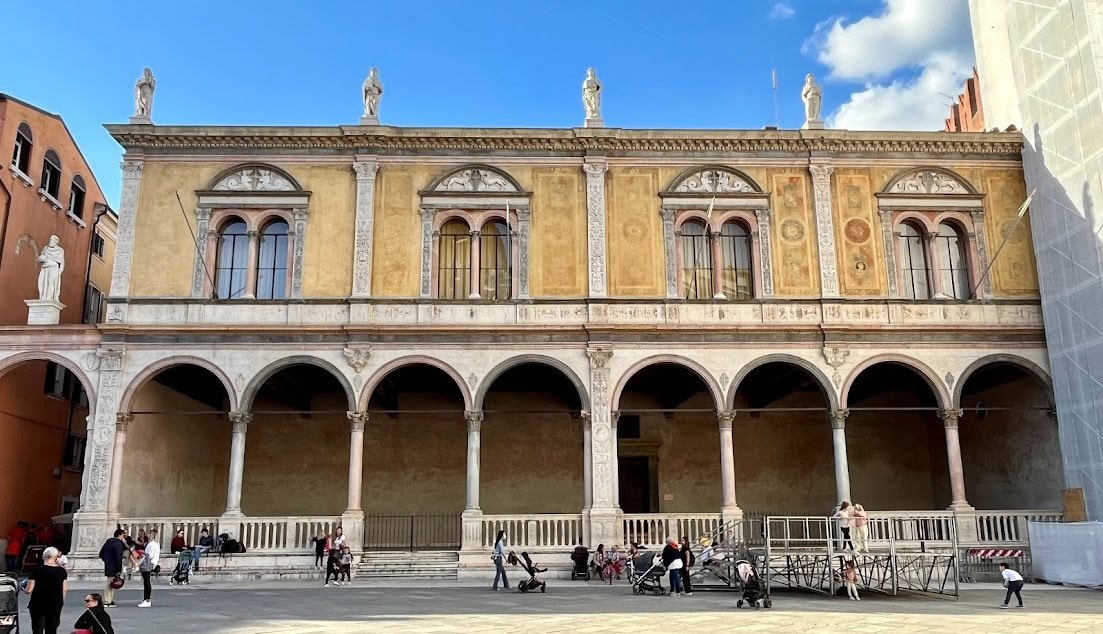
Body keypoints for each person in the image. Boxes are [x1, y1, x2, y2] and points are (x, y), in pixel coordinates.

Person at [24, 546, 68, 634]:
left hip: (38, 602)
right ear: (55, 557)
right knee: (51, 629)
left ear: (44, 556)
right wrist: (60, 602)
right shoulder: (62, 571)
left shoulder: (37, 570)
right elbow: (64, 589)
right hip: (55, 602)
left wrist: (24, 589)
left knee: (37, 627)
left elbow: (29, 590)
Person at [97, 529, 126, 608]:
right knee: (110, 584)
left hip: (108, 565)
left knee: (111, 582)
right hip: (114, 566)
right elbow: (118, 557)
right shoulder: (118, 544)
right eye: (123, 535)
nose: (123, 537)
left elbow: (101, 554)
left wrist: (107, 560)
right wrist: (119, 569)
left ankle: (109, 599)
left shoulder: (108, 542)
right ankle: (107, 600)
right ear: (120, 535)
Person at [137, 529, 160, 608]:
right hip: (152, 563)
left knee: (146, 582)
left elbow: (148, 555)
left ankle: (147, 599)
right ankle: (146, 599)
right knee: (147, 582)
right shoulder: (156, 544)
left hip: (148, 563)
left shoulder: (151, 544)